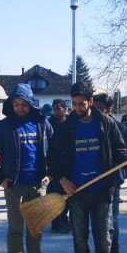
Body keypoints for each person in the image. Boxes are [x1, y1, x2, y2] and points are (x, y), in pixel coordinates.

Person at [47, 82, 127, 253]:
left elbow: (120, 153)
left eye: (81, 104)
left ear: (91, 102)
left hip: (102, 191)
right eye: (74, 104)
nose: (77, 108)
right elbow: (51, 158)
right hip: (77, 192)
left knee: (104, 236)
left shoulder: (106, 123)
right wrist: (62, 180)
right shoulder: (66, 127)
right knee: (80, 238)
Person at [0, 84, 54, 253]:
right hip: (14, 186)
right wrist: (0, 178)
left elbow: (56, 151)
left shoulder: (42, 124)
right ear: (11, 104)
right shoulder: (4, 127)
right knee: (15, 229)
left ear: (31, 104)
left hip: (38, 185)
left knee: (36, 229)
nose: (20, 108)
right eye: (16, 104)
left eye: (24, 104)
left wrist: (51, 174)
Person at [94, 93, 127, 253]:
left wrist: (119, 177)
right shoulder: (88, 126)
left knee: (112, 223)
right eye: (95, 108)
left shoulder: (121, 130)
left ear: (109, 110)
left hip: (111, 184)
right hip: (90, 183)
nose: (96, 112)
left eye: (101, 110)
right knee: (94, 224)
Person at [47, 99, 71, 234]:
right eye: (54, 109)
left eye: (59, 108)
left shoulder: (69, 123)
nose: (56, 111)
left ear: (65, 109)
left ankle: (64, 218)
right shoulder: (49, 124)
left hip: (67, 164)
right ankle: (56, 223)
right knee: (55, 195)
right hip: (54, 164)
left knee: (67, 195)